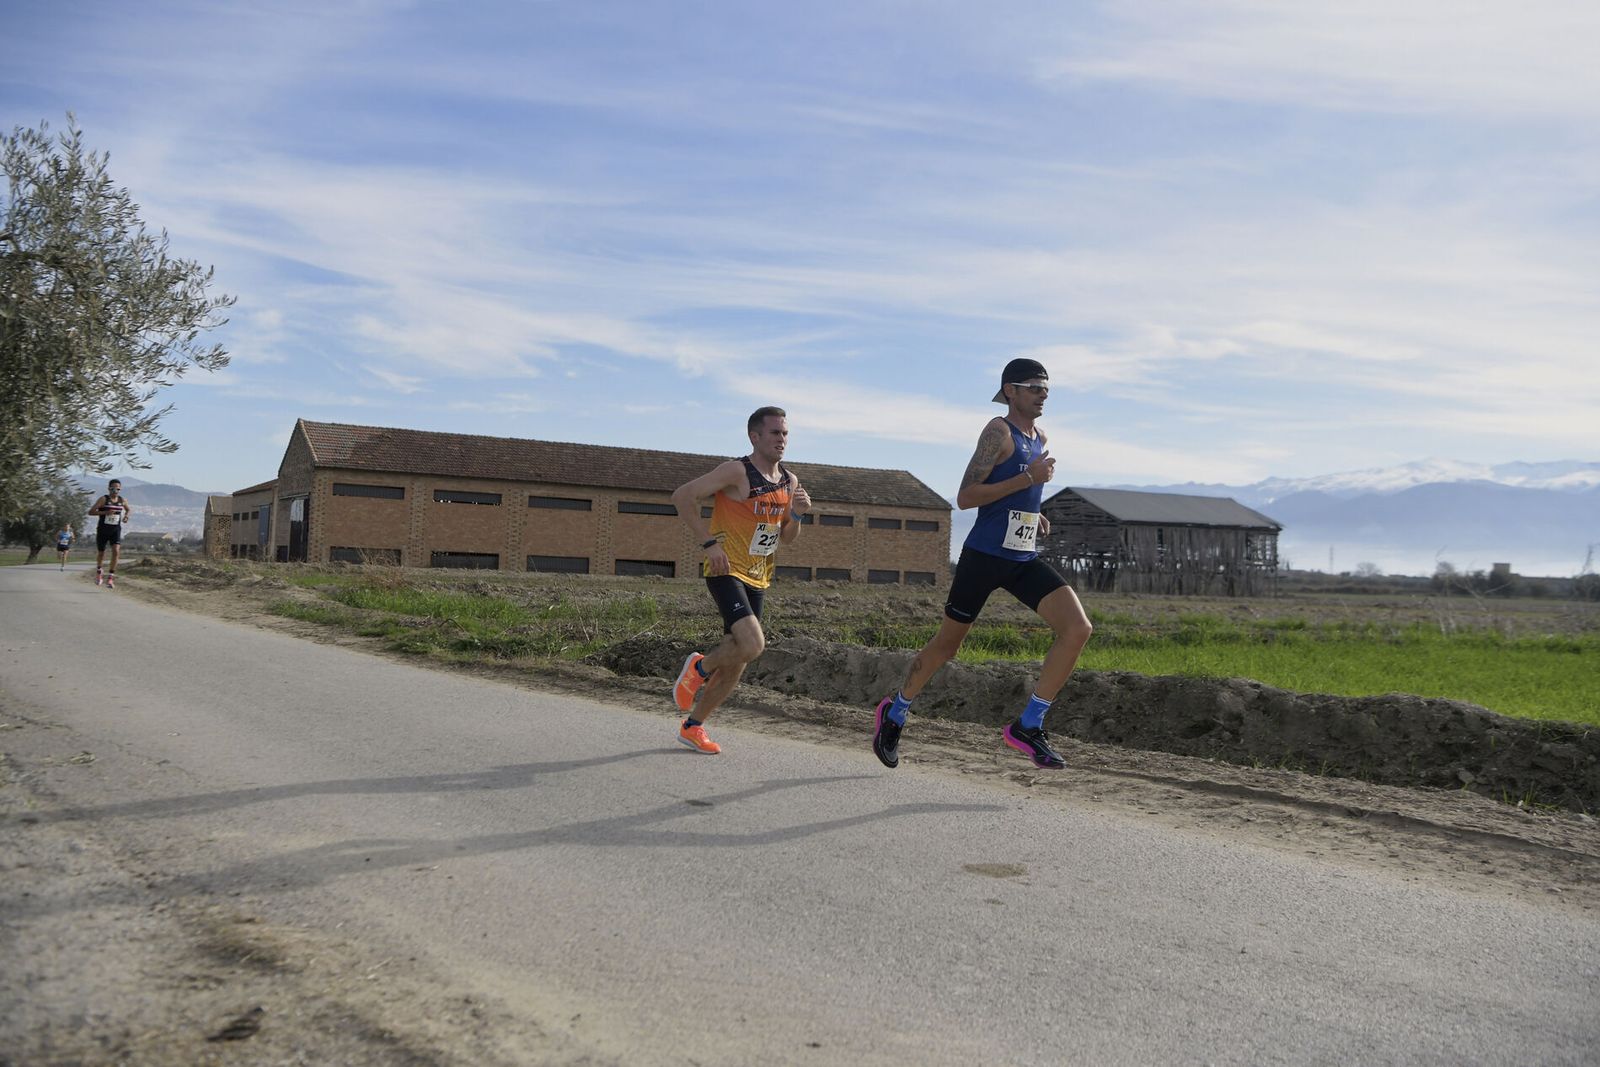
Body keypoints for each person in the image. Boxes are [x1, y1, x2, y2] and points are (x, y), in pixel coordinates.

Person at [872, 358, 1093, 770]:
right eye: (1033, 387)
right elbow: (967, 496)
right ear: (1010, 391)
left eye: (1047, 388)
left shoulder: (1039, 436)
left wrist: (1033, 510)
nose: (1043, 394)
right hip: (984, 558)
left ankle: (1029, 724)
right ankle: (896, 710)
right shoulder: (997, 431)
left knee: (1077, 628)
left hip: (1022, 558)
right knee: (947, 646)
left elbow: (1016, 492)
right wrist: (1029, 479)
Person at [668, 406, 812, 754]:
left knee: (739, 661)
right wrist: (709, 542)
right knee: (753, 645)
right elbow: (682, 496)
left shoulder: (789, 481)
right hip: (725, 569)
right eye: (775, 433)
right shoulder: (736, 471)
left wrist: (796, 514)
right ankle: (699, 667)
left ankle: (693, 726)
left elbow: (785, 538)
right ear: (755, 436)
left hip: (759, 576)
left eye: (785, 433)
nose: (782, 439)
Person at [88, 479, 131, 589]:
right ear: (109, 488)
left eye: (117, 488)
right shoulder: (103, 499)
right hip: (103, 529)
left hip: (115, 530)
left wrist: (126, 516)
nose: (115, 490)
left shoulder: (122, 500)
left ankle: (111, 577)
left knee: (116, 551)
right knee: (101, 553)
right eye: (113, 488)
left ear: (120, 489)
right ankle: (99, 571)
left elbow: (128, 510)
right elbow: (91, 511)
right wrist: (105, 512)